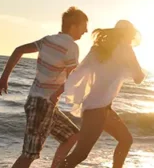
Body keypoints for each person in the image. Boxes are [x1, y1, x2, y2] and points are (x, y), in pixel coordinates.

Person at [0, 7, 88, 168]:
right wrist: (57, 93)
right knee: (29, 155)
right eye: (83, 26)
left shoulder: (47, 40)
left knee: (72, 135)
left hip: (42, 103)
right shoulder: (71, 46)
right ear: (73, 26)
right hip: (42, 104)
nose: (86, 30)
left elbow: (19, 50)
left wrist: (4, 78)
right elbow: (73, 77)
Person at [56, 20, 146, 168]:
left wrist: (60, 91)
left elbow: (78, 72)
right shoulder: (126, 49)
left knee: (126, 139)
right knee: (80, 154)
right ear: (128, 34)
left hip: (100, 107)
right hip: (97, 110)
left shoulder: (99, 49)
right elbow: (138, 78)